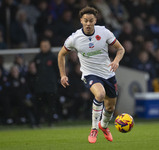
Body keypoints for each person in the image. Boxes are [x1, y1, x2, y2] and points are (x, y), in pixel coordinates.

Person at [58, 6, 125, 143]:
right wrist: (63, 75)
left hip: (108, 73)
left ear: (95, 20)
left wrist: (116, 61)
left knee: (110, 107)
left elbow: (120, 49)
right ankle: (94, 129)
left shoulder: (104, 32)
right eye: (85, 20)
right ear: (81, 21)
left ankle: (104, 126)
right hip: (90, 74)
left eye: (91, 20)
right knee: (99, 94)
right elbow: (61, 55)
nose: (88, 23)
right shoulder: (75, 38)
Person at [33, 39, 59, 126]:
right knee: (39, 106)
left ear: (49, 46)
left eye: (46, 46)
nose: (44, 47)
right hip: (40, 86)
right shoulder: (37, 57)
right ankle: (37, 122)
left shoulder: (53, 57)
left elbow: (57, 71)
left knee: (51, 106)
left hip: (50, 86)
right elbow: (33, 71)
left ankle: (50, 122)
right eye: (43, 46)